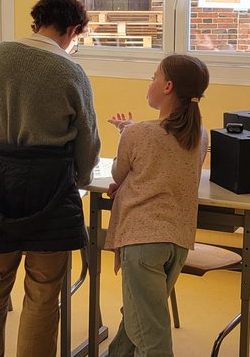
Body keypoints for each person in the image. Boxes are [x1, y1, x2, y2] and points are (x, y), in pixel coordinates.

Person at [0, 0, 101, 357]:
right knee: (43, 292)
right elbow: (86, 139)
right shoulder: (70, 71)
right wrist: (81, 180)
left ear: (37, 21)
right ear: (72, 29)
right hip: (49, 189)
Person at [104, 54, 210, 357]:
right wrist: (133, 132)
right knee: (141, 316)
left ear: (168, 87)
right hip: (176, 242)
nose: (150, 82)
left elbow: (117, 173)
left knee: (152, 334)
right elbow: (165, 164)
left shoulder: (138, 134)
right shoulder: (199, 135)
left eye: (154, 77)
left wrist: (126, 134)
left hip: (141, 241)